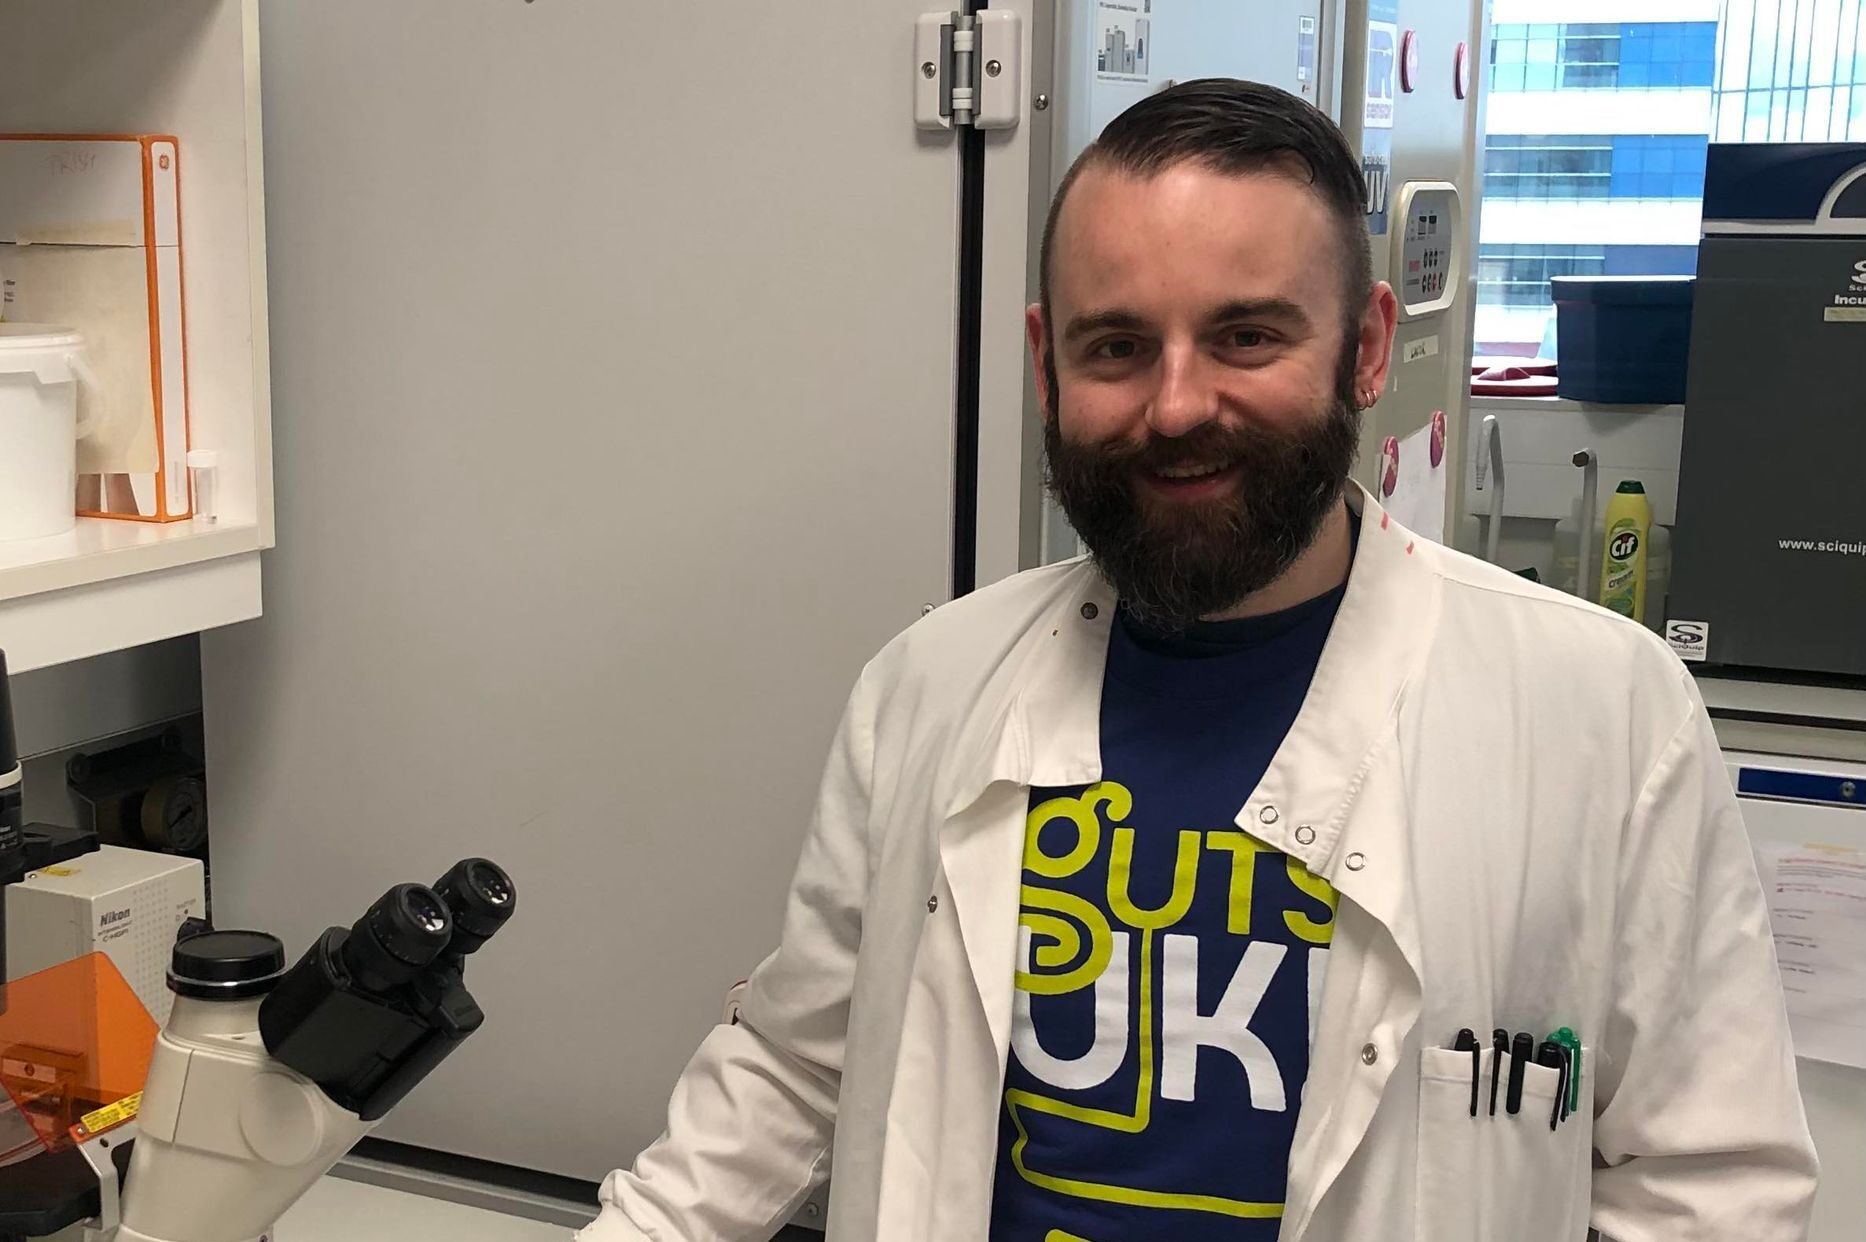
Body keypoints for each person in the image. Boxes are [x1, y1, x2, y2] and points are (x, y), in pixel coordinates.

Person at [577, 79, 1816, 1242]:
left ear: (1367, 347)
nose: (1175, 407)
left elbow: (1708, 1188)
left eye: (1246, 336)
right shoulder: (927, 686)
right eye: (1117, 347)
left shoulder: (1603, 711)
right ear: (1046, 363)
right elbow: (793, 1064)